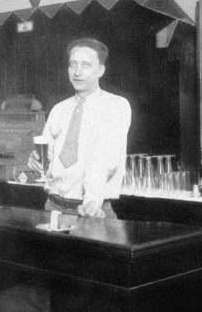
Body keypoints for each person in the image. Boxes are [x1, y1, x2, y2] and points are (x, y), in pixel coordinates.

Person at [29, 38, 131, 218]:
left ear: (100, 70)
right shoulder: (59, 109)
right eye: (72, 64)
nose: (77, 72)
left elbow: (104, 159)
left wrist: (92, 199)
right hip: (53, 208)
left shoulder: (116, 106)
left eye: (86, 65)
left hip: (92, 210)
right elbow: (48, 161)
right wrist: (36, 163)